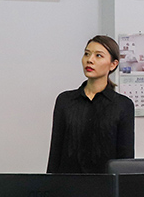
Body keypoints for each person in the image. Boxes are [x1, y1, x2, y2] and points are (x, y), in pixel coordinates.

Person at [47, 35, 135, 173]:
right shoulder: (65, 100)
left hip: (105, 184)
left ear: (113, 64)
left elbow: (126, 160)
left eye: (98, 55)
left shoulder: (123, 105)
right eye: (87, 54)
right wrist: (50, 184)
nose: (90, 60)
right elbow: (55, 152)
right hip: (68, 183)